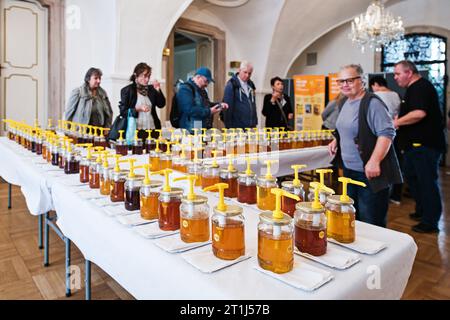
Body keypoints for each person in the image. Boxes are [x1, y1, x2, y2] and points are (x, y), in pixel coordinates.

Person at [328, 64, 402, 228]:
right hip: (349, 170)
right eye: (341, 81)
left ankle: (377, 253)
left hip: (369, 173)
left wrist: (375, 161)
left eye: (349, 80)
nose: (344, 85)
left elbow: (387, 133)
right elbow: (346, 128)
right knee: (353, 217)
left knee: (371, 221)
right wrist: (337, 140)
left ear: (361, 80)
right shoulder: (344, 102)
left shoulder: (372, 103)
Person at [393, 60, 446, 233]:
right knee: (414, 179)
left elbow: (419, 113)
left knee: (426, 183)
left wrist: (396, 122)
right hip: (414, 146)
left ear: (409, 72)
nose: (395, 78)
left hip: (424, 146)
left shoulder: (421, 87)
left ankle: (430, 221)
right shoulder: (414, 88)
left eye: (397, 74)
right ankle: (422, 211)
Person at [369, 75, 403, 205]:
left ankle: (382, 194)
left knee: (381, 164)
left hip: (380, 135)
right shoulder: (395, 95)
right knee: (395, 163)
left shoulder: (376, 96)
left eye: (372, 86)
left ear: (375, 84)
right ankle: (396, 195)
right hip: (395, 132)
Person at [118, 62, 166, 142]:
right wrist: (137, 109)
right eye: (144, 76)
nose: (147, 79)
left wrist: (158, 90)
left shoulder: (151, 89)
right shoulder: (127, 91)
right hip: (135, 130)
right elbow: (123, 112)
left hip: (152, 129)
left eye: (148, 76)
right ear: (136, 75)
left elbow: (161, 104)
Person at [176, 67, 228, 133]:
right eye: (206, 81)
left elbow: (206, 105)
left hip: (201, 130)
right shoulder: (185, 89)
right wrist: (209, 111)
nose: (207, 84)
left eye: (208, 82)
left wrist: (218, 105)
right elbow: (189, 110)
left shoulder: (202, 90)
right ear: (198, 77)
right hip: (190, 131)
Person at [222, 61, 258, 129]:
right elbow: (227, 108)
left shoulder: (251, 85)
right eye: (245, 72)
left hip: (251, 126)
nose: (247, 75)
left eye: (249, 73)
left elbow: (253, 105)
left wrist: (255, 122)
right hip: (237, 127)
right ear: (239, 70)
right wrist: (229, 127)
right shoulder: (231, 85)